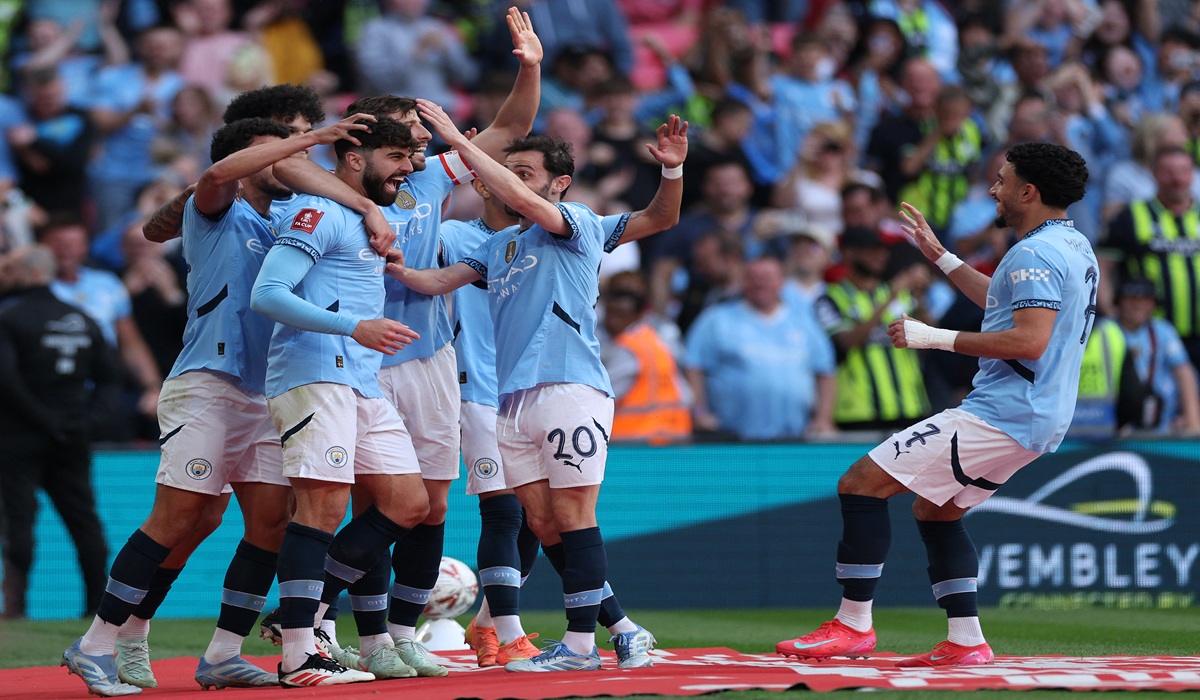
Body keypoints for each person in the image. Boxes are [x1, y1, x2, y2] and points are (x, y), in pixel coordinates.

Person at [260, 10, 544, 676]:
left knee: (429, 504)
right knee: (363, 501)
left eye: (419, 138)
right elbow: (282, 168)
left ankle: (395, 635)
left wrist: (528, 66)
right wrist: (359, 203)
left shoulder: (422, 182)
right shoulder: (330, 193)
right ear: (365, 142)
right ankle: (322, 623)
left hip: (427, 355)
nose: (419, 149)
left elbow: (510, 130)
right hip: (353, 361)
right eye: (407, 137)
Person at [62, 115, 376, 697]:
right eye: (272, 151)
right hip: (208, 381)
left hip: (270, 390)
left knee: (270, 525)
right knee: (181, 517)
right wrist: (308, 138)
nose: (287, 162)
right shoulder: (213, 209)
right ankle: (97, 644)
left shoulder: (291, 220)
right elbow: (216, 173)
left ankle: (224, 654)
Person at [388, 100, 687, 672]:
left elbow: (660, 218)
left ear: (560, 183)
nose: (513, 182)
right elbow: (436, 281)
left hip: (569, 388)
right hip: (509, 402)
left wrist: (671, 171)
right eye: (511, 170)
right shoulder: (496, 247)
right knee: (544, 523)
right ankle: (623, 629)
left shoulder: (575, 224)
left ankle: (580, 648)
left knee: (574, 514)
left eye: (525, 171)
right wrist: (385, 261)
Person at [776, 142, 1094, 666]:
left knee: (861, 483)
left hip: (1004, 410)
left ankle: (853, 625)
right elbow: (1005, 300)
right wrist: (941, 256)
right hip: (1038, 417)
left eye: (1002, 180)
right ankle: (967, 640)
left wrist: (933, 336)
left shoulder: (1035, 251)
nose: (993, 189)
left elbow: (1027, 341)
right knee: (937, 510)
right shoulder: (1071, 244)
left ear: (1028, 191)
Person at [249, 117, 426, 688]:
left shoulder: (365, 213)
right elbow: (267, 294)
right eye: (397, 155)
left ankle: (302, 614)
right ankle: (301, 655)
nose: (410, 166)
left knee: (408, 503)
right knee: (321, 510)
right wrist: (354, 327)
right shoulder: (319, 213)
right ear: (356, 159)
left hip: (361, 382)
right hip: (313, 374)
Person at [0, 246, 120, 621]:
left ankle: (15, 607)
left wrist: (41, 419)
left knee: (19, 520)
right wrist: (87, 421)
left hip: (20, 435)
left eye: (11, 268)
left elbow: (6, 380)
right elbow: (110, 378)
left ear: (28, 273)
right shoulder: (83, 319)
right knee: (83, 519)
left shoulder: (10, 318)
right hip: (73, 434)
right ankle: (97, 606)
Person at [684, 256, 836, 441]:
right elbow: (694, 366)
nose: (760, 284)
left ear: (782, 282)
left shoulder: (804, 321)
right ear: (743, 281)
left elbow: (825, 370)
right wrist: (699, 412)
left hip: (794, 438)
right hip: (731, 439)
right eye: (753, 277)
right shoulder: (716, 320)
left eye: (767, 277)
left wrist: (823, 418)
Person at [815, 226, 932, 432]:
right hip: (858, 412)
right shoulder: (831, 298)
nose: (880, 256)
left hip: (909, 406)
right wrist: (889, 299)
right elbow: (848, 341)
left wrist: (919, 296)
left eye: (882, 250)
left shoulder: (901, 294)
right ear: (849, 253)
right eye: (871, 250)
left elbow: (931, 339)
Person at [1099, 145, 1200, 371]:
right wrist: (1113, 314)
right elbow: (1100, 268)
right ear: (1153, 174)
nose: (1177, 179)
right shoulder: (1130, 216)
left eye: (1184, 171)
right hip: (1150, 334)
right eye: (1168, 171)